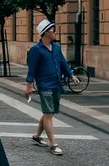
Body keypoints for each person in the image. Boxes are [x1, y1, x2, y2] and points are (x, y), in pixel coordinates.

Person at [25, 20, 78, 156]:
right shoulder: (36, 50)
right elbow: (32, 69)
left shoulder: (56, 47)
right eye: (53, 30)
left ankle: (37, 136)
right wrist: (29, 86)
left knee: (50, 112)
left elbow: (63, 63)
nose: (54, 32)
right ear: (46, 33)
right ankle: (53, 144)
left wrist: (71, 75)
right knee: (48, 113)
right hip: (45, 86)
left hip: (56, 85)